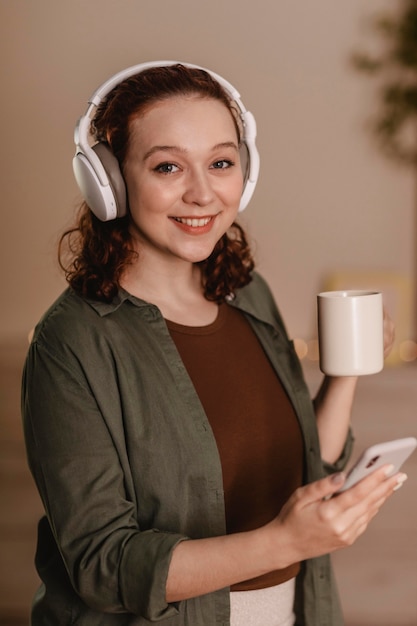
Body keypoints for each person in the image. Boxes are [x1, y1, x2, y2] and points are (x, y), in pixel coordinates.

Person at [21, 61, 402, 626]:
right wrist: (283, 543)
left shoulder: (249, 296)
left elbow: (301, 469)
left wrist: (345, 370)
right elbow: (102, 565)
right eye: (168, 166)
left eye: (221, 163)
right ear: (110, 180)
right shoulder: (71, 342)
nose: (202, 194)